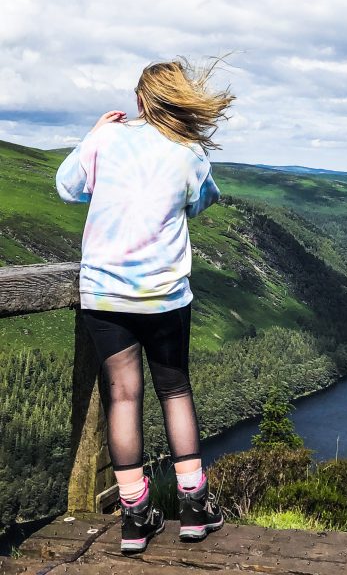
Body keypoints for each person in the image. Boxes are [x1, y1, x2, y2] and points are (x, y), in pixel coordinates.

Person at [55, 58, 234, 554]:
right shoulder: (189, 151)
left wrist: (92, 133)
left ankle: (136, 518)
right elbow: (201, 201)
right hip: (165, 294)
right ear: (177, 100)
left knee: (123, 396)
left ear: (140, 100)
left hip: (106, 293)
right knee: (175, 390)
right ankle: (195, 510)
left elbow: (67, 187)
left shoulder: (107, 140)